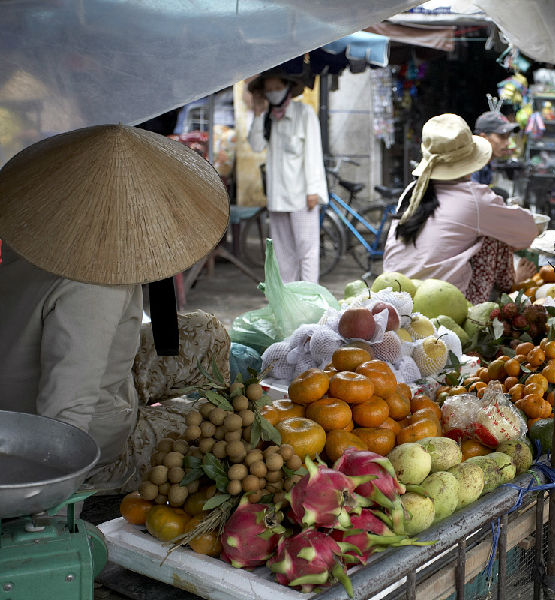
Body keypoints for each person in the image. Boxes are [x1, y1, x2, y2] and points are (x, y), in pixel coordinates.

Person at [0, 124, 231, 493]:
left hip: (45, 373)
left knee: (206, 330)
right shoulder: (93, 285)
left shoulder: (35, 237)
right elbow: (65, 408)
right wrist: (54, 498)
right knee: (217, 429)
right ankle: (111, 469)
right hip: (66, 429)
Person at [383, 113, 538, 303]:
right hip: (443, 307)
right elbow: (528, 232)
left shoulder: (412, 191)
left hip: (395, 300)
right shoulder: (475, 199)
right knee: (494, 235)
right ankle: (509, 283)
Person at [248, 70, 328, 284]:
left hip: (302, 197)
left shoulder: (304, 113)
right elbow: (256, 145)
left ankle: (309, 298)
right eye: (269, 90)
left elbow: (313, 153)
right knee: (283, 255)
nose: (273, 93)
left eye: (277, 88)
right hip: (277, 197)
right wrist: (257, 113)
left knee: (307, 252)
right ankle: (288, 301)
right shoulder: (267, 118)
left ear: (287, 88)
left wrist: (314, 190)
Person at [470, 110, 520, 186]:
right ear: (484, 137)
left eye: (508, 137)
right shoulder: (470, 166)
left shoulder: (487, 163)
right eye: (502, 136)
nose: (508, 143)